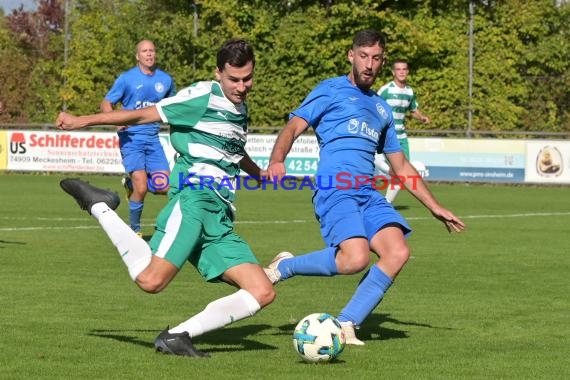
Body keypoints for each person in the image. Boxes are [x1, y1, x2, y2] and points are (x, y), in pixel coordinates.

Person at [56, 39, 275, 357]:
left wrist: (259, 173)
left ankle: (177, 336)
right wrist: (83, 121)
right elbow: (143, 115)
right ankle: (99, 205)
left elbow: (234, 150)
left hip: (221, 215)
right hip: (195, 200)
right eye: (234, 79)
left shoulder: (240, 108)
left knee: (262, 291)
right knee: (151, 281)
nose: (242, 86)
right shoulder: (202, 96)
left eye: (248, 78)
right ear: (219, 73)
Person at [263, 29, 465, 345]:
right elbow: (293, 126)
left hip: (367, 193)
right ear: (351, 55)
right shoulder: (329, 90)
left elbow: (400, 166)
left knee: (397, 251)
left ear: (382, 61)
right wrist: (278, 159)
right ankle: (284, 267)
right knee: (354, 259)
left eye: (376, 58)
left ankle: (346, 323)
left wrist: (434, 206)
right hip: (335, 188)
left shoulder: (382, 109)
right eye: (363, 56)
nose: (369, 64)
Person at [101, 39, 176, 236]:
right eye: (144, 51)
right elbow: (106, 103)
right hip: (131, 138)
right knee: (142, 187)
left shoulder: (166, 80)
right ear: (137, 56)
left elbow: (173, 105)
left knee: (164, 186)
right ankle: (134, 230)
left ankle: (130, 185)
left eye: (152, 50)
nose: (149, 54)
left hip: (153, 139)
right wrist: (115, 121)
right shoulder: (127, 79)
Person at [376, 58, 430, 203]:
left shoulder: (410, 92)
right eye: (398, 69)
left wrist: (422, 117)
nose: (401, 72)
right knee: (379, 163)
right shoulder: (386, 90)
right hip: (385, 135)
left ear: (407, 72)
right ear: (393, 72)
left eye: (404, 69)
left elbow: (413, 110)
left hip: (402, 137)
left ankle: (385, 204)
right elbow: (374, 107)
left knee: (402, 174)